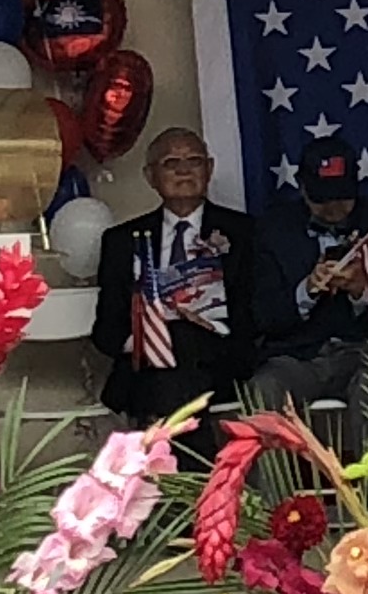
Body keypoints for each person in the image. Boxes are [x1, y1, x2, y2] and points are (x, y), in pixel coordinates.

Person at [91, 127, 262, 428]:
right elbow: (107, 331)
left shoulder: (247, 233)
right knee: (174, 351)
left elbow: (261, 314)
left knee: (182, 345)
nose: (184, 170)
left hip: (222, 360)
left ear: (209, 169)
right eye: (171, 163)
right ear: (150, 176)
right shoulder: (122, 241)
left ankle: (170, 453)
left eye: (194, 161)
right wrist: (151, 340)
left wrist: (206, 329)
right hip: (146, 366)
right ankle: (193, 455)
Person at [246, 136, 368, 417]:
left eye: (342, 196)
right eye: (322, 198)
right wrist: (307, 291)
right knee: (264, 389)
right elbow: (262, 316)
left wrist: (361, 291)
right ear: (302, 187)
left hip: (364, 354)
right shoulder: (274, 230)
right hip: (298, 356)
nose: (333, 207)